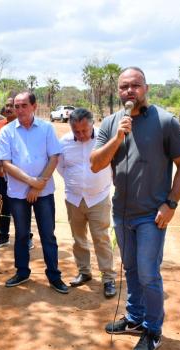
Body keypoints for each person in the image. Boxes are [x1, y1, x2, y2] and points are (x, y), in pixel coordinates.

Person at [90, 67, 180, 350]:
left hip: (152, 215)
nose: (129, 91)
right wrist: (117, 137)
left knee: (148, 274)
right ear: (118, 91)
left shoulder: (165, 122)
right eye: (124, 87)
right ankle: (134, 317)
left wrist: (170, 204)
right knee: (131, 268)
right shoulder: (111, 123)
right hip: (122, 214)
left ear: (146, 88)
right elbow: (96, 164)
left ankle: (153, 329)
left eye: (135, 85)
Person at [0, 91, 68, 294]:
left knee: (48, 234)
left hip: (44, 193)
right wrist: (31, 183)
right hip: (18, 194)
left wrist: (40, 185)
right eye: (16, 106)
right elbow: (6, 164)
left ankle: (54, 275)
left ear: (34, 106)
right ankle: (22, 272)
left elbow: (54, 158)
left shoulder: (46, 128)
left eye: (23, 105)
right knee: (20, 235)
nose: (19, 110)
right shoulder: (7, 131)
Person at [57, 108, 117, 298]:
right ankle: (84, 272)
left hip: (98, 198)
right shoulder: (64, 142)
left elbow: (113, 163)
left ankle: (108, 278)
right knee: (78, 239)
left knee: (101, 238)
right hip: (74, 199)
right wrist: (75, 184)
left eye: (85, 130)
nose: (81, 135)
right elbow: (60, 167)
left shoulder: (105, 139)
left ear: (93, 124)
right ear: (71, 127)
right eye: (77, 131)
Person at [0, 97, 34, 250]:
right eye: (7, 105)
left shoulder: (25, 126)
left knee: (22, 206)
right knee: (3, 206)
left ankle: (26, 237)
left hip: (19, 176)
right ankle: (3, 236)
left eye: (12, 106)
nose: (9, 108)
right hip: (1, 175)